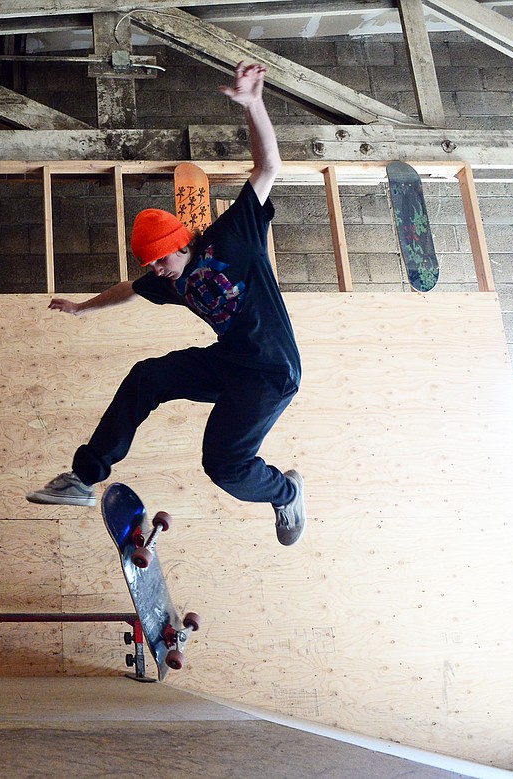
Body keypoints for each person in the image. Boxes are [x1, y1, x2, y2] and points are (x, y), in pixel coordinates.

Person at [26, 61, 307, 546]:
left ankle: (284, 492)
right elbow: (128, 289)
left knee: (223, 466)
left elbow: (268, 167)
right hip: (229, 362)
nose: (157, 271)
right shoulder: (170, 280)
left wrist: (253, 104)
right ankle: (83, 478)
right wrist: (80, 308)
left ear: (182, 246)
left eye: (160, 261)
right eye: (151, 264)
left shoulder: (233, 235)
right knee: (146, 376)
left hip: (270, 371)